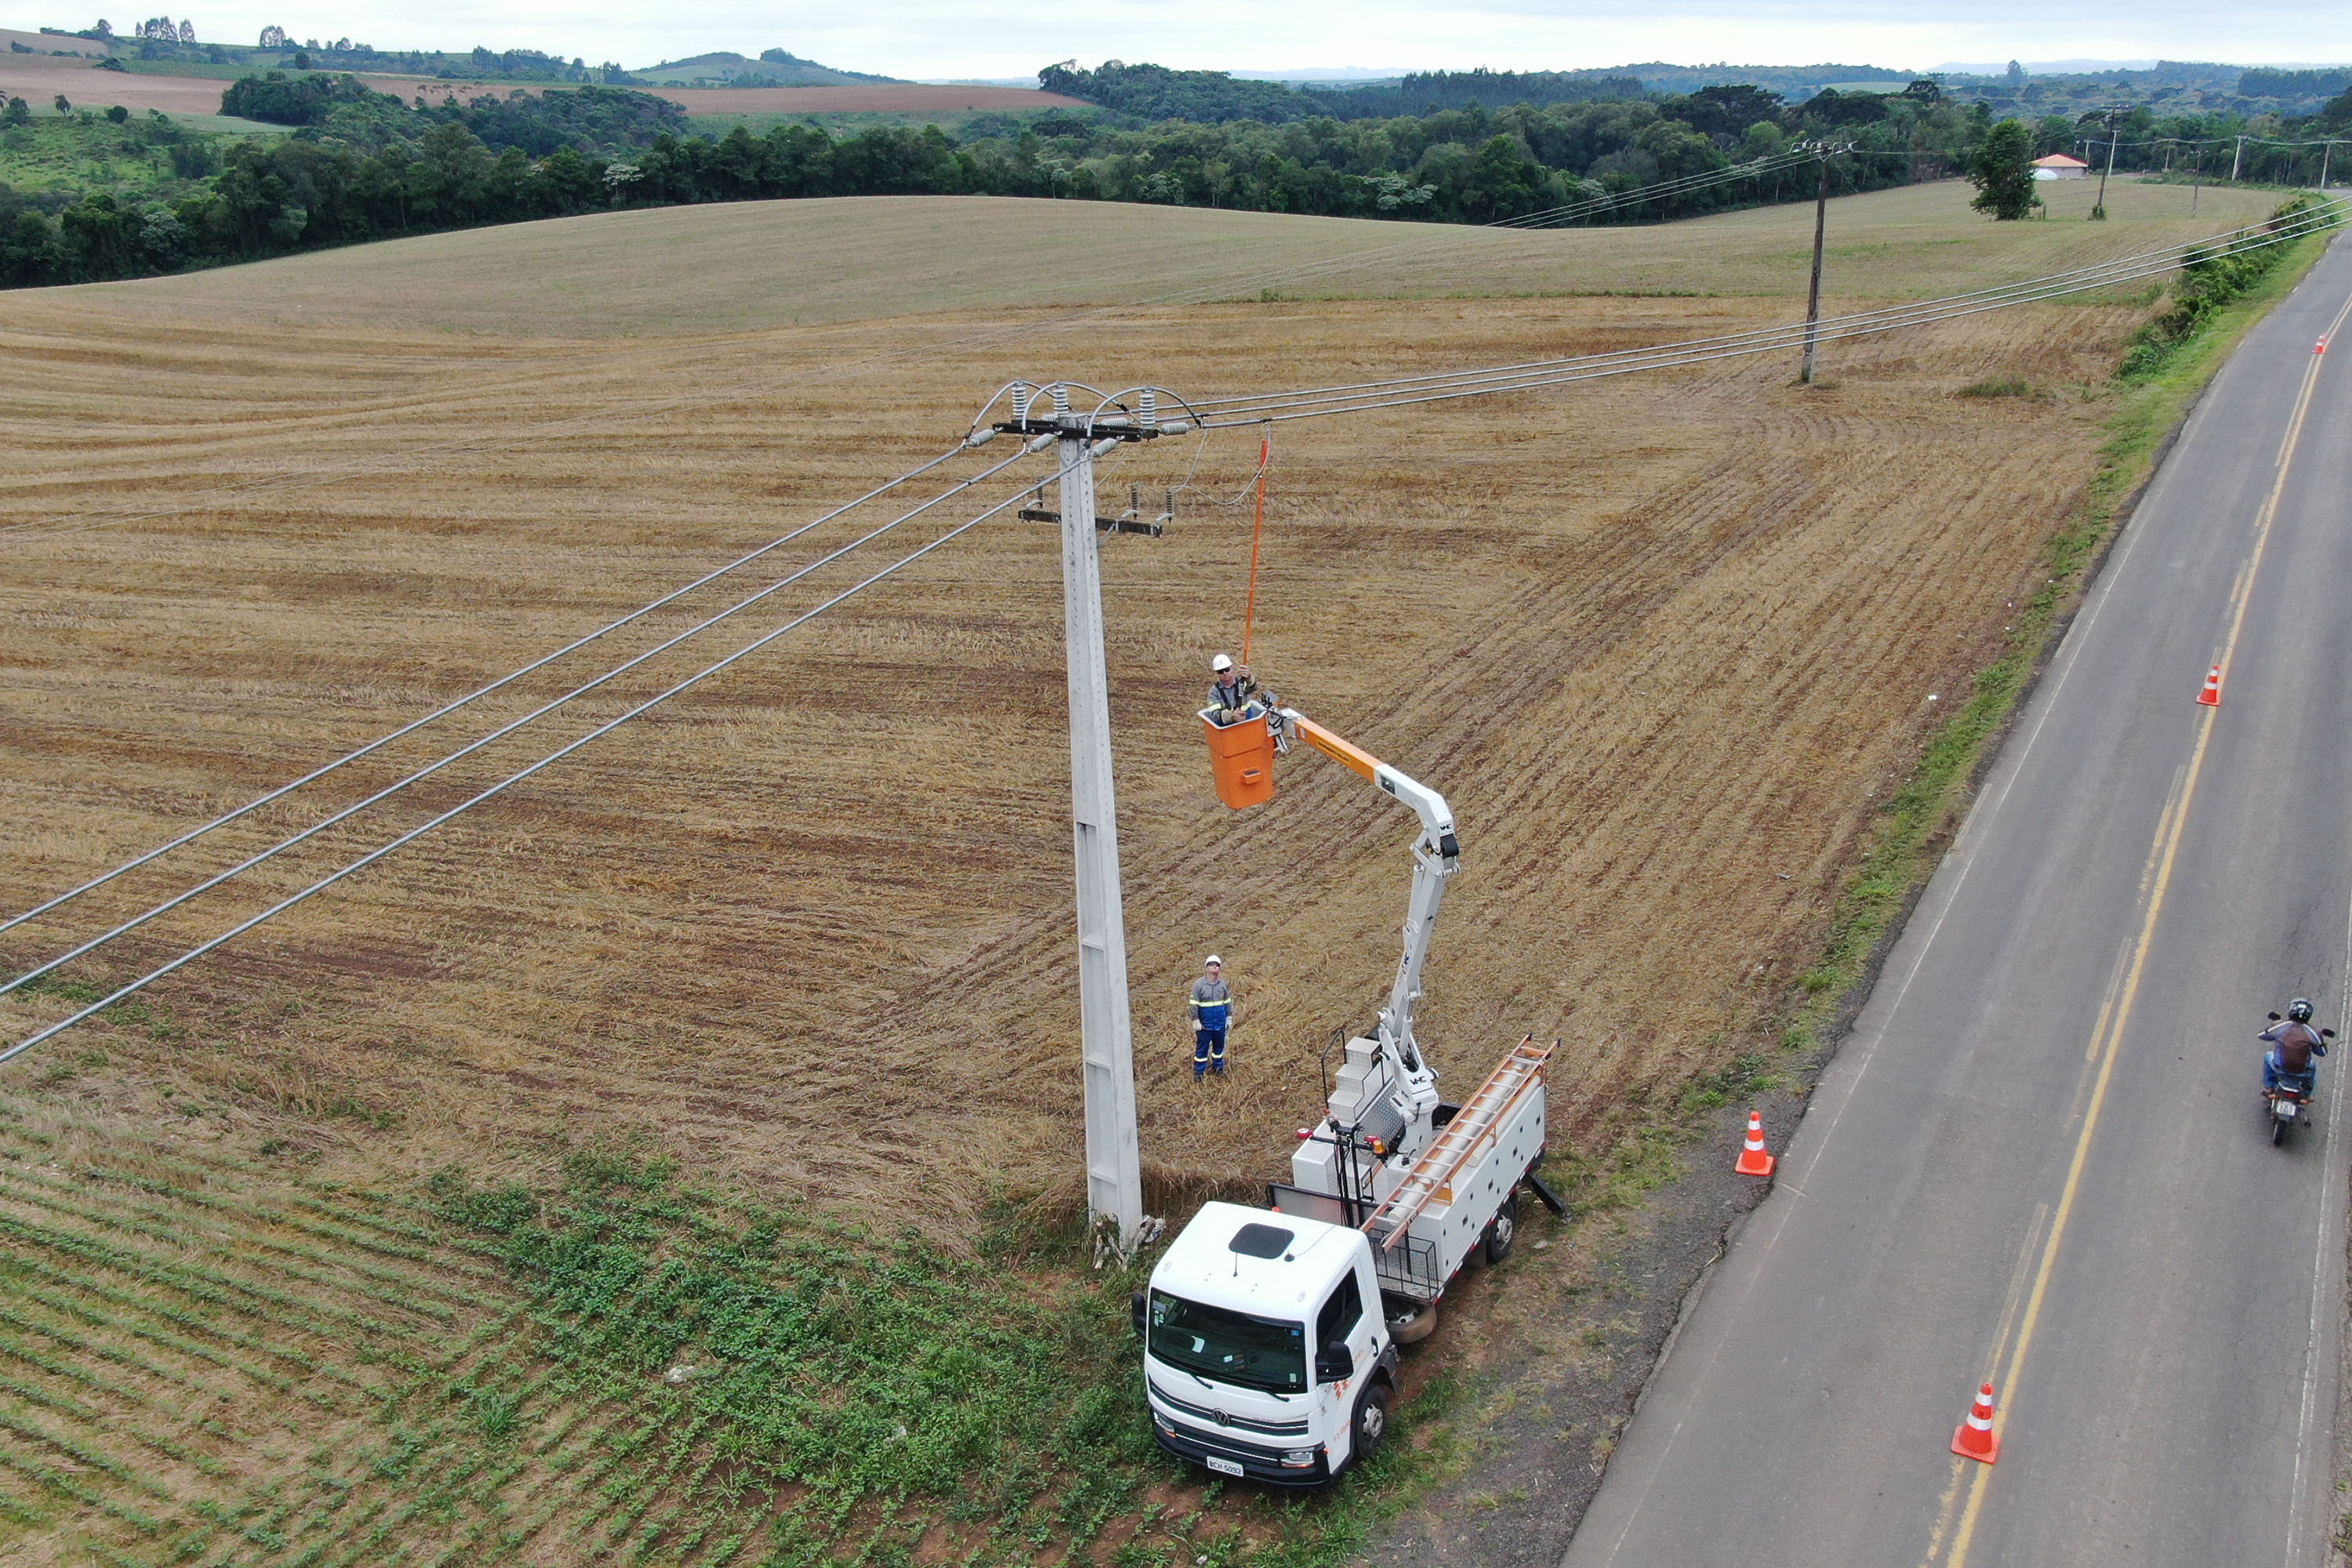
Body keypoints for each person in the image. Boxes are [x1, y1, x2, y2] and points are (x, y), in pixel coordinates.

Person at [2260, 997, 2328, 1096]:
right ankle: (2307, 1093)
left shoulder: (2281, 1026)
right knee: (2313, 1065)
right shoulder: (2313, 1032)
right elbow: (2322, 1053)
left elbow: (2262, 1036)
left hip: (2279, 1068)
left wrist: (2271, 1029)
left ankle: (2269, 1087)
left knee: (2268, 1056)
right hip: (2302, 1071)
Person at [1189, 956, 1231, 1078]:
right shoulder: (1198, 985)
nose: (1214, 967)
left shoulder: (1223, 984)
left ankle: (1218, 1068)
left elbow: (1227, 1001)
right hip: (1204, 1025)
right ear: (1206, 968)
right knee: (1202, 1049)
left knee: (1219, 1048)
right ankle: (1199, 1072)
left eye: (1217, 965)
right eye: (1211, 964)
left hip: (1220, 1024)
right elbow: (1193, 1004)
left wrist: (1229, 1016)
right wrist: (1195, 1020)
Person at [1206, 655, 1260, 726]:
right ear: (1217, 673)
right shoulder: (1213, 692)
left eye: (1227, 669)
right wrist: (1231, 716)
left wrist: (1249, 677)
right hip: (1227, 730)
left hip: (1247, 724)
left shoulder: (1242, 682)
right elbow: (1214, 715)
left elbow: (1252, 688)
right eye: (1221, 671)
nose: (1225, 673)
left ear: (1232, 669)